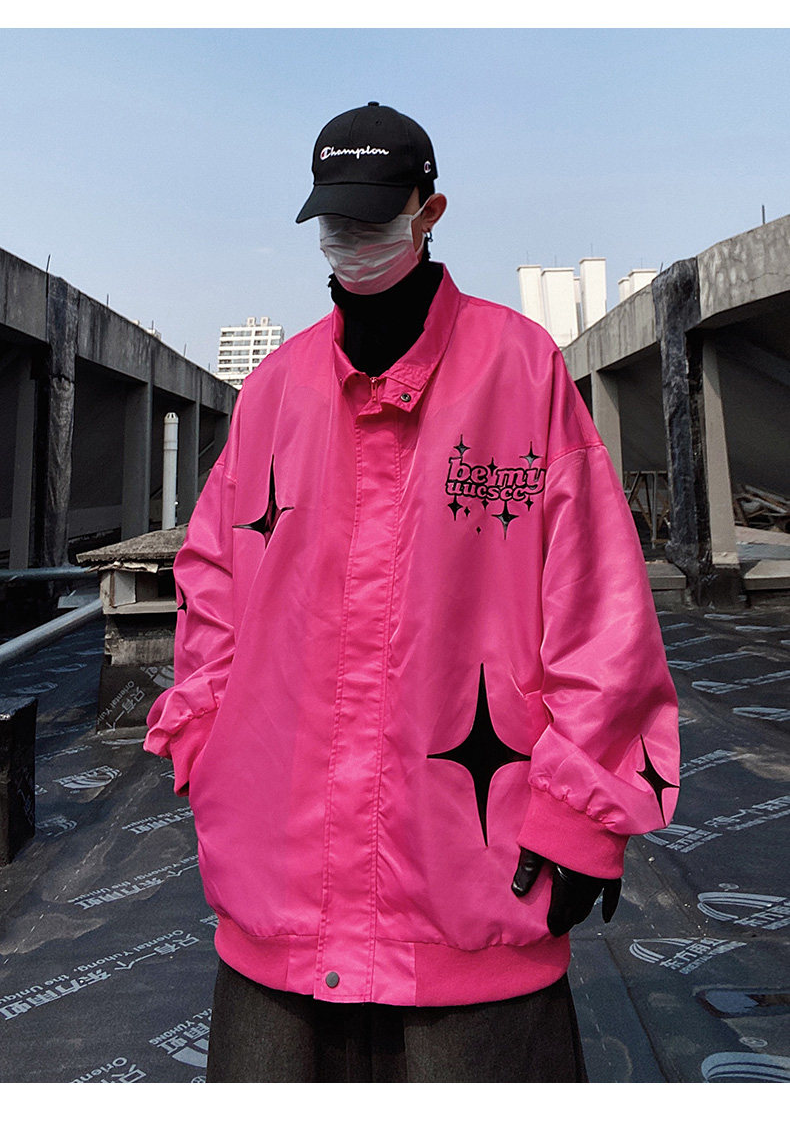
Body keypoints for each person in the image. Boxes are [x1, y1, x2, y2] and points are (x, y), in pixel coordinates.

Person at [143, 102, 680, 1082]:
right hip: (279, 888)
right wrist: (202, 741)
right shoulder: (274, 391)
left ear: (430, 210)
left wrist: (584, 813)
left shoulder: (518, 370)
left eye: (375, 213)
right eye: (334, 216)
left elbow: (598, 604)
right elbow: (211, 580)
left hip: (473, 883)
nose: (351, 236)